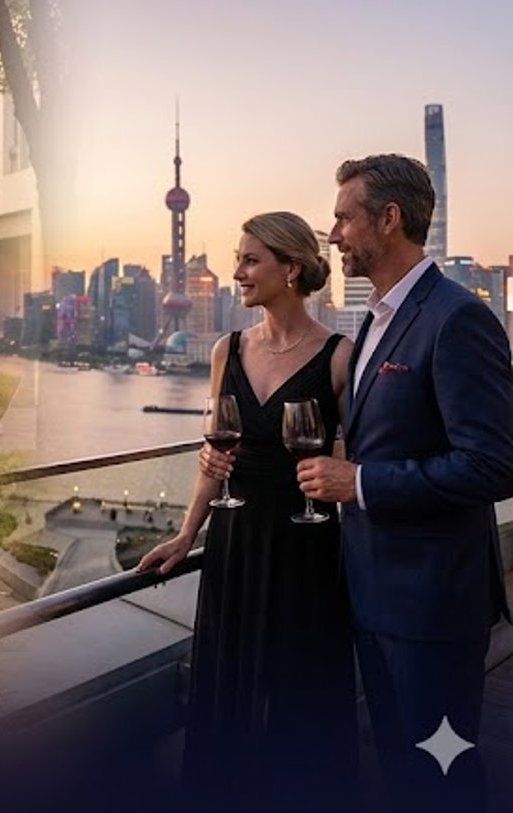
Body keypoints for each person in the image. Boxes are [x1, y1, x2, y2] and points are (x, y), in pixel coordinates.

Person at [298, 154, 513, 810]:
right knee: (399, 771)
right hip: (374, 596)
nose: (332, 234)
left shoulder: (456, 318)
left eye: (344, 217)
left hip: (431, 610)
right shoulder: (374, 321)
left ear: (389, 219)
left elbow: (493, 463)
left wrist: (360, 482)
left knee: (441, 778)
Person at [138, 212, 355, 809]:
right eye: (238, 258)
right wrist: (187, 535)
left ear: (291, 269)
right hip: (234, 539)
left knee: (296, 684)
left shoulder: (339, 356)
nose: (237, 272)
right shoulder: (225, 349)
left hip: (305, 544)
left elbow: (346, 461)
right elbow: (216, 453)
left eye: (251, 260)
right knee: (227, 677)